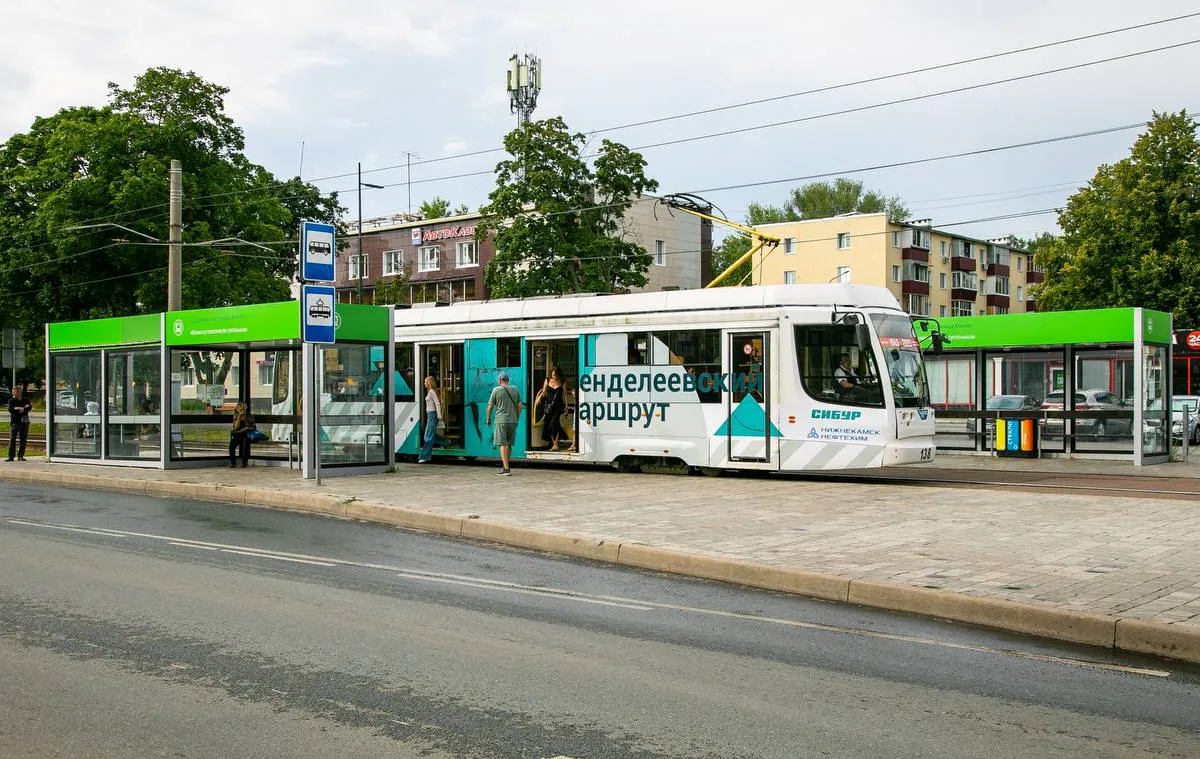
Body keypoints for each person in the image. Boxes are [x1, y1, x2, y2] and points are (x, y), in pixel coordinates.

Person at [485, 371, 523, 476]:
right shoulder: (515, 389)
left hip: (501, 420)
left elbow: (490, 406)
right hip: (512, 420)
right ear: (508, 380)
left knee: (503, 444)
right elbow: (520, 406)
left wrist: (488, 418)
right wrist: (517, 417)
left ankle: (506, 468)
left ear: (499, 380)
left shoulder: (496, 390)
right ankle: (506, 465)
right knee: (509, 444)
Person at [534, 367, 567, 451]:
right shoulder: (547, 380)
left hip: (558, 406)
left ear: (558, 374)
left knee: (553, 422)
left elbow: (565, 395)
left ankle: (556, 444)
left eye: (555, 375)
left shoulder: (562, 381)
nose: (554, 377)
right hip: (549, 406)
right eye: (552, 375)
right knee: (551, 424)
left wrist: (566, 406)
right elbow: (544, 392)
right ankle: (556, 443)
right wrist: (539, 398)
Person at [418, 375, 448, 463]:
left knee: (428, 437)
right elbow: (440, 401)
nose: (424, 384)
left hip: (432, 415)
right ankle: (445, 442)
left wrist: (439, 416)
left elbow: (438, 403)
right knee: (428, 436)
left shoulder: (431, 391)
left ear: (429, 383)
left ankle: (425, 456)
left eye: (425, 382)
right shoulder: (431, 392)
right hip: (430, 415)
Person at [7, 385, 32, 462]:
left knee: (23, 439)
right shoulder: (11, 400)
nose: (13, 394)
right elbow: (11, 409)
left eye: (15, 392)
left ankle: (20, 456)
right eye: (13, 392)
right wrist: (22, 408)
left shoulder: (26, 400)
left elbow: (29, 407)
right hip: (14, 422)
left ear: (19, 392)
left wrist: (21, 408)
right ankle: (11, 456)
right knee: (12, 439)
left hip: (24, 422)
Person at [229, 402, 255, 468]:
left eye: (244, 410)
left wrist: (248, 428)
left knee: (245, 443)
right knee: (232, 444)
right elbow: (235, 427)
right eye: (241, 410)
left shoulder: (249, 416)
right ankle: (233, 463)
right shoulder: (236, 415)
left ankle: (244, 463)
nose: (243, 411)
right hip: (238, 435)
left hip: (247, 434)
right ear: (237, 410)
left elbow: (254, 427)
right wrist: (239, 418)